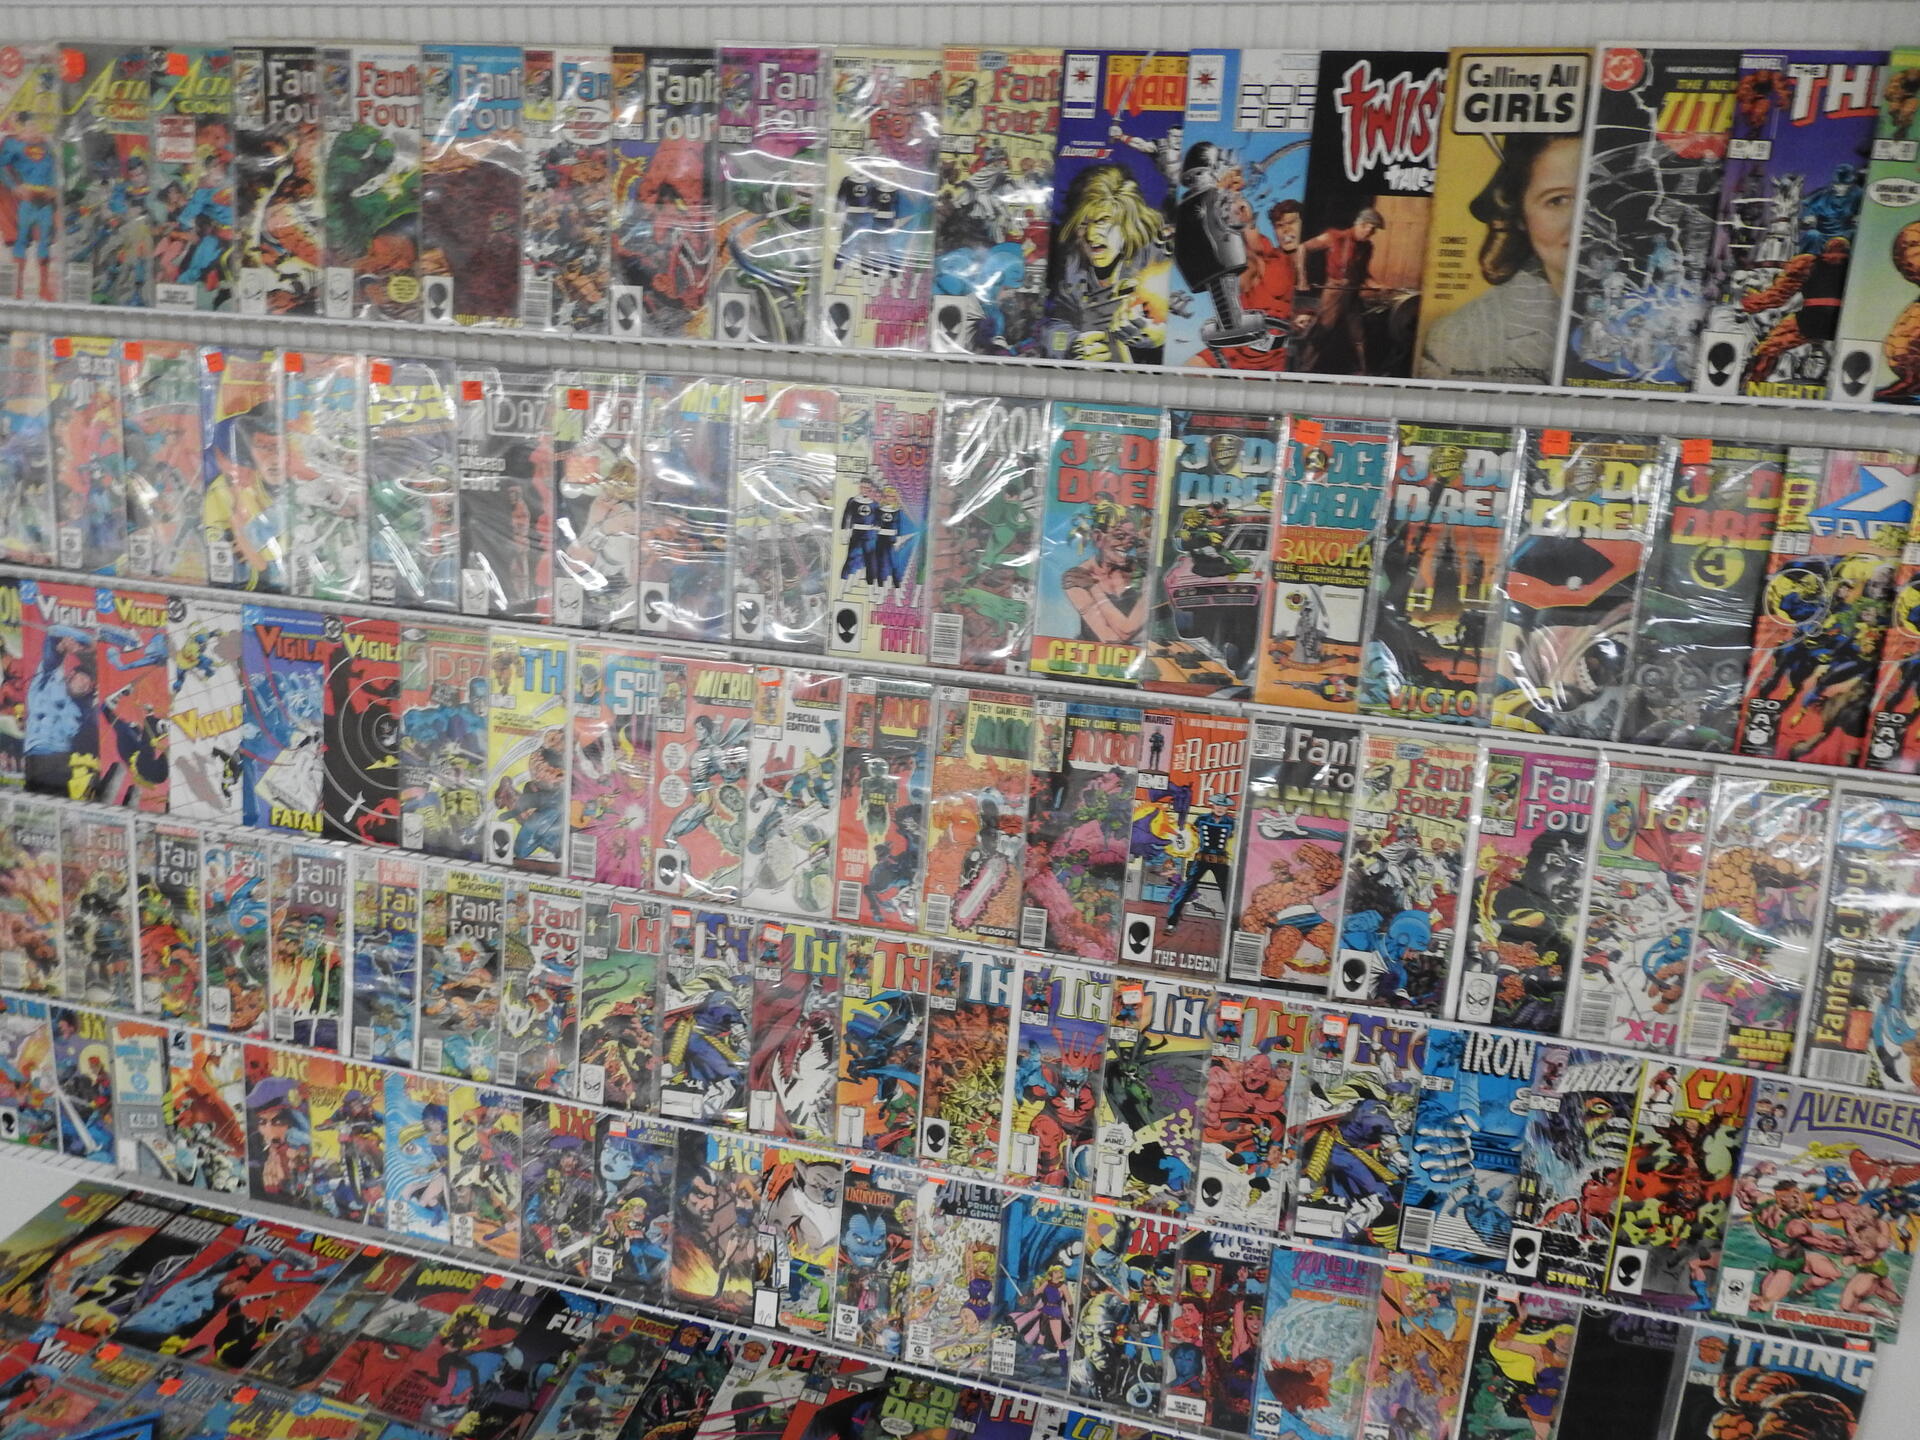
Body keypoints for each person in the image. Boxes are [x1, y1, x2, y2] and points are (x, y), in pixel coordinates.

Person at [1419, 134, 1580, 384]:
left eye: (1604, 192)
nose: (1584, 221)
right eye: (1558, 200)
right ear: (1520, 215)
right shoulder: (1460, 340)